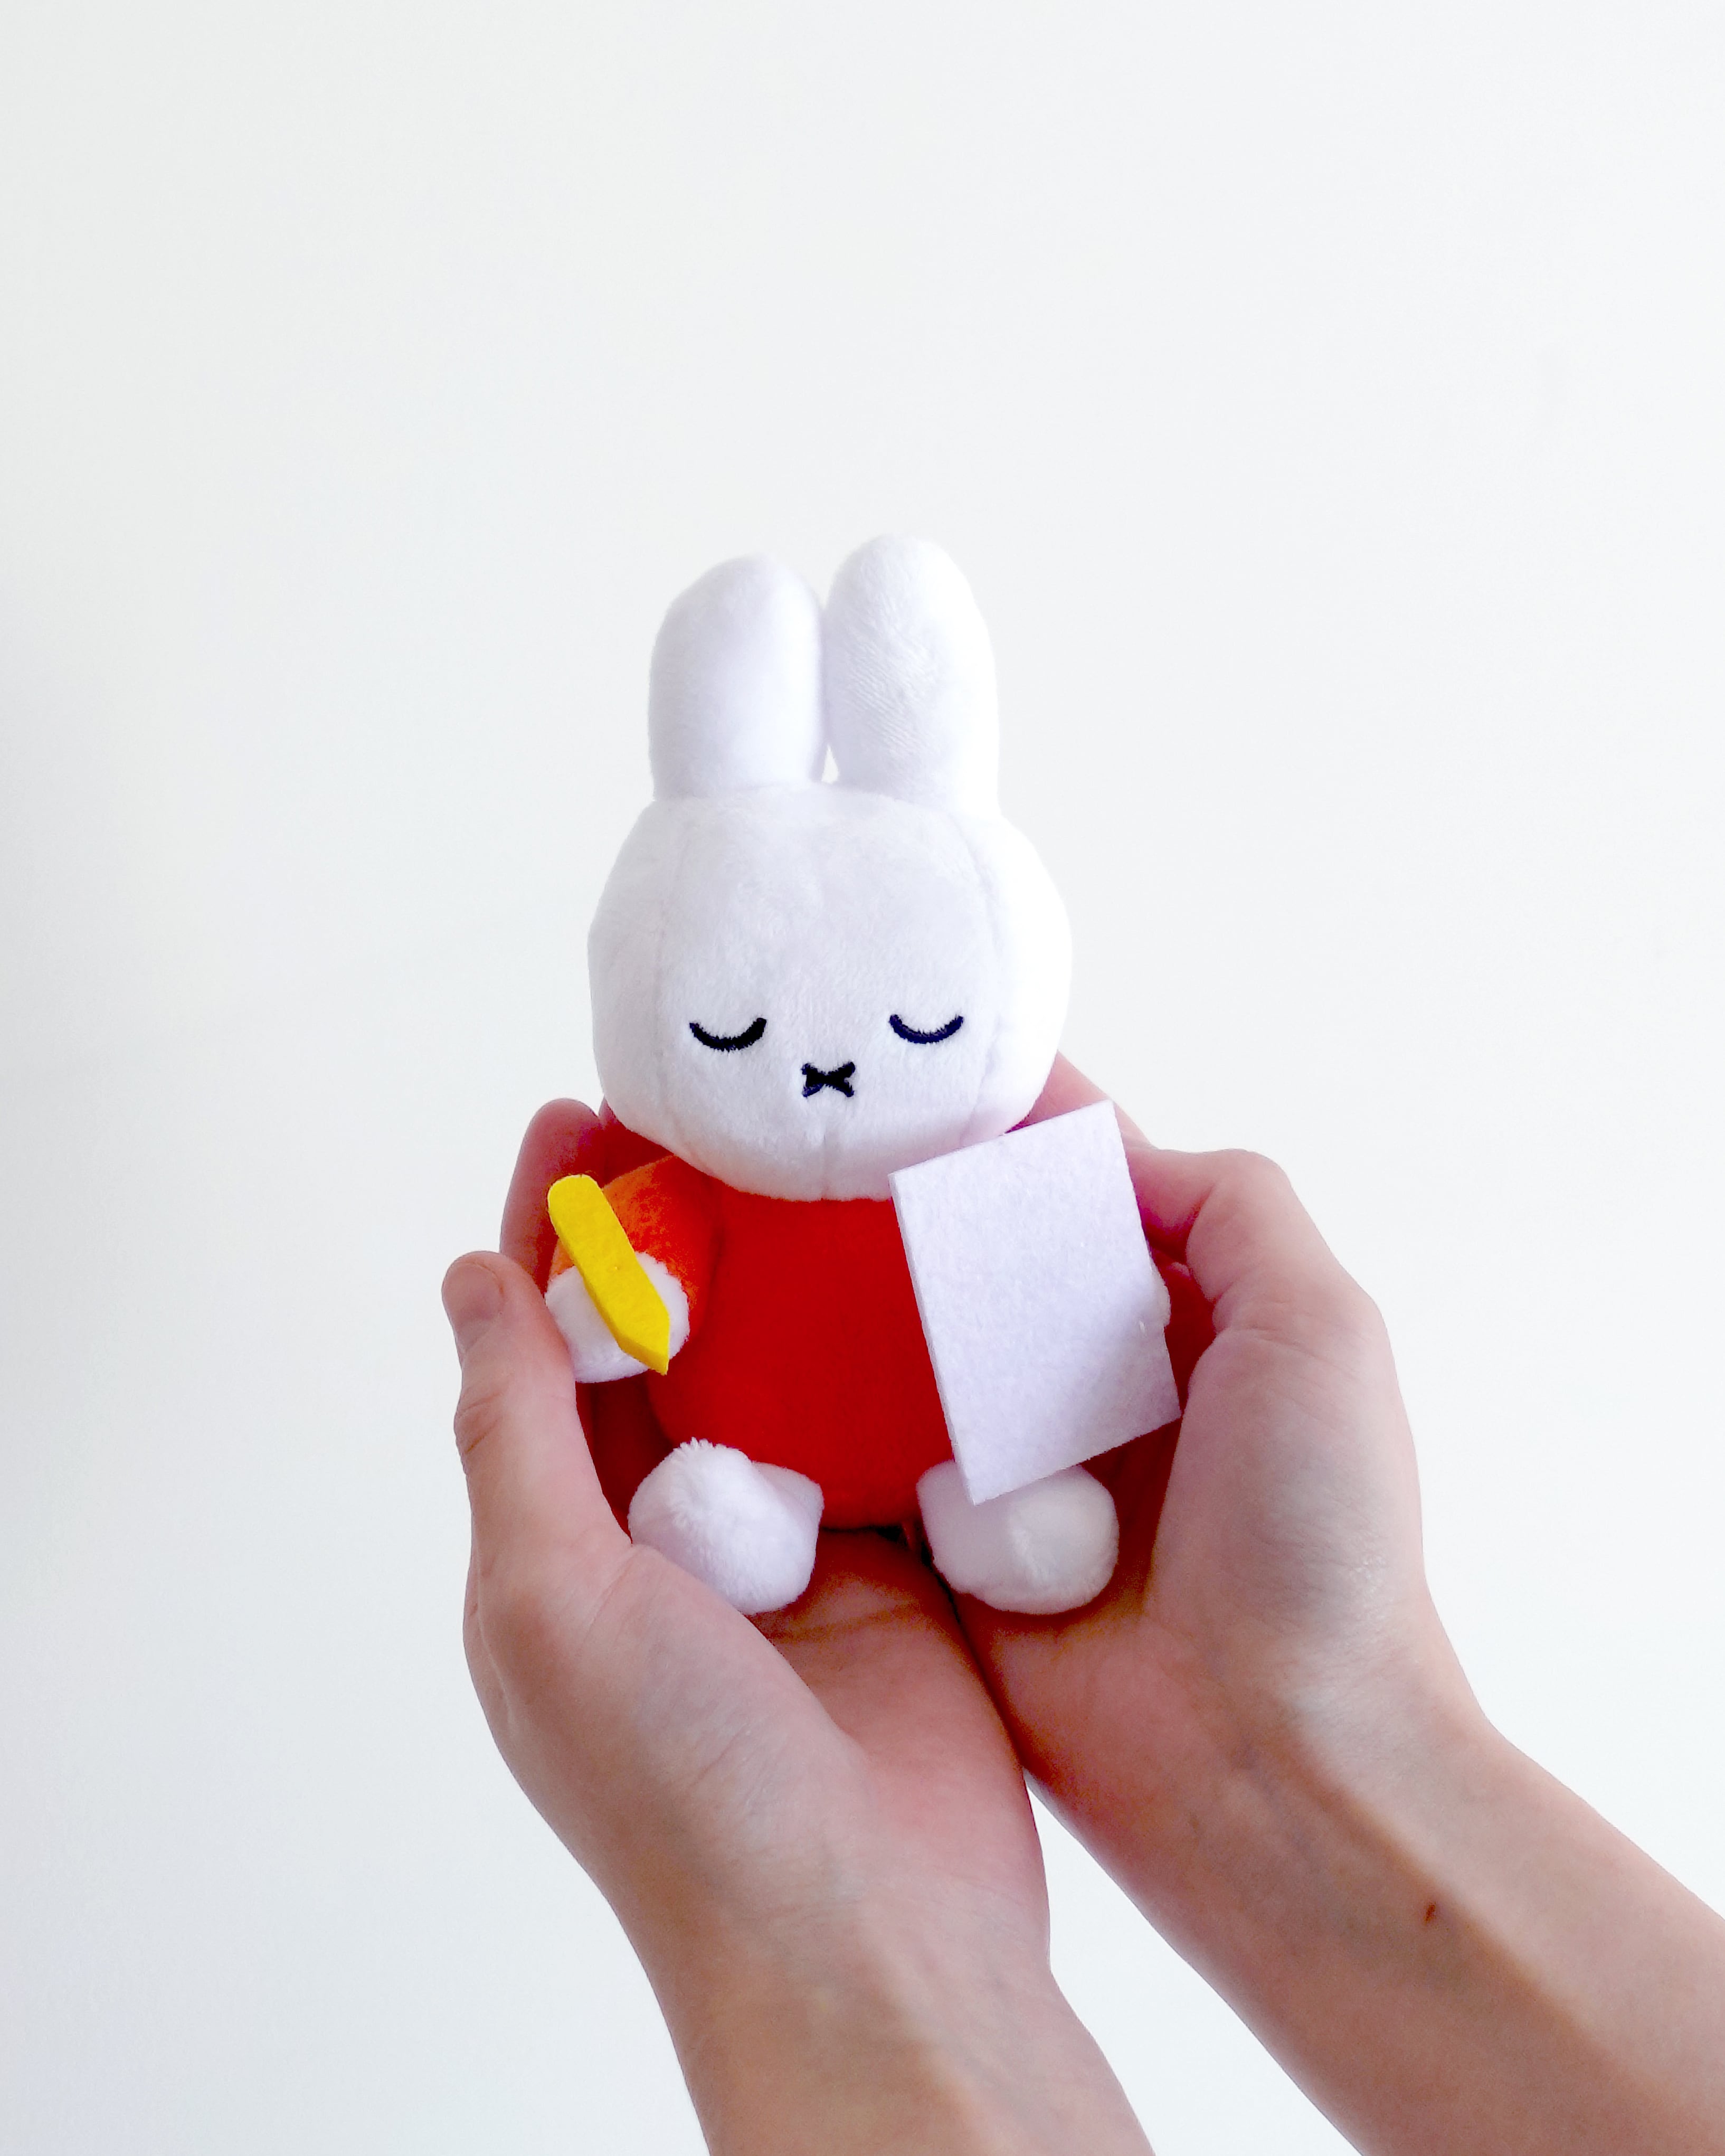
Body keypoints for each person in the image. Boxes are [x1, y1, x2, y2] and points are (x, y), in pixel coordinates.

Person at [441, 1058, 1725, 2156]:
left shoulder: (979, 1176)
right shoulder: (692, 1178)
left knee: (1012, 1496)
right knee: (741, 1509)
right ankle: (774, 1512)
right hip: (761, 1460)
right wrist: (1298, 1747)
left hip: (972, 1462)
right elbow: (638, 1276)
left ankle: (977, 1512)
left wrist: (827, 1946)